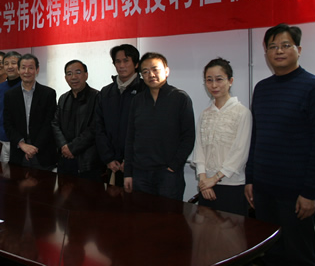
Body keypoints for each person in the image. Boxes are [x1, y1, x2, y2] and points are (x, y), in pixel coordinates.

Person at [245, 23, 315, 266]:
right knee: (270, 255)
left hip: (296, 194)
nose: (279, 51)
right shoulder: (262, 89)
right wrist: (250, 178)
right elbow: (257, 137)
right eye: (273, 46)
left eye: (286, 45)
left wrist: (309, 192)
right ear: (266, 52)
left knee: (299, 257)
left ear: (298, 49)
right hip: (264, 191)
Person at [124, 52, 195, 201]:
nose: (151, 75)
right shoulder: (137, 101)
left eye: (155, 69)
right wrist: (128, 173)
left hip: (168, 174)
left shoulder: (180, 98)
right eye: (145, 71)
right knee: (141, 214)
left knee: (169, 215)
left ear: (166, 71)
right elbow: (130, 138)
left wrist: (173, 166)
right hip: (140, 173)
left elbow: (188, 137)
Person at [192, 58, 251, 216]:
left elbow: (240, 152)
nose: (214, 85)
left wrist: (214, 179)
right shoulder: (205, 114)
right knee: (206, 229)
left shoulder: (242, 113)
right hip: (206, 186)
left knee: (231, 230)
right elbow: (199, 148)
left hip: (232, 186)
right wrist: (204, 180)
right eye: (209, 80)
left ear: (230, 81)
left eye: (219, 79)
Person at [95, 44, 145, 187]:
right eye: (118, 61)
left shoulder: (145, 90)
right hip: (112, 165)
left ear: (136, 64)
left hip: (138, 165)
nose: (121, 65)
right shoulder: (105, 92)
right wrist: (108, 158)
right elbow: (98, 127)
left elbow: (145, 131)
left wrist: (130, 160)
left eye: (126, 60)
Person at [4, 54, 57, 170]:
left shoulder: (48, 94)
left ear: (37, 70)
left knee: (44, 182)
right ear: (18, 70)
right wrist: (22, 144)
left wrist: (34, 148)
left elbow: (49, 123)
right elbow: (8, 124)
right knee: (17, 181)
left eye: (31, 68)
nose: (27, 71)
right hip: (19, 152)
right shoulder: (10, 95)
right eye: (23, 68)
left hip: (42, 152)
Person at [52, 60, 102, 181]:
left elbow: (95, 127)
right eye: (69, 74)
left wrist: (72, 148)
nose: (73, 77)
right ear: (65, 78)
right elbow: (55, 124)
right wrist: (63, 146)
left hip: (87, 162)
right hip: (64, 159)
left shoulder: (97, 97)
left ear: (86, 75)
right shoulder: (63, 98)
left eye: (78, 72)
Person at [0, 51, 22, 162]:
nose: (10, 66)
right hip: (2, 140)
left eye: (13, 63)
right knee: (2, 171)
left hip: (20, 142)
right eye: (6, 63)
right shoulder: (0, 88)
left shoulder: (25, 87)